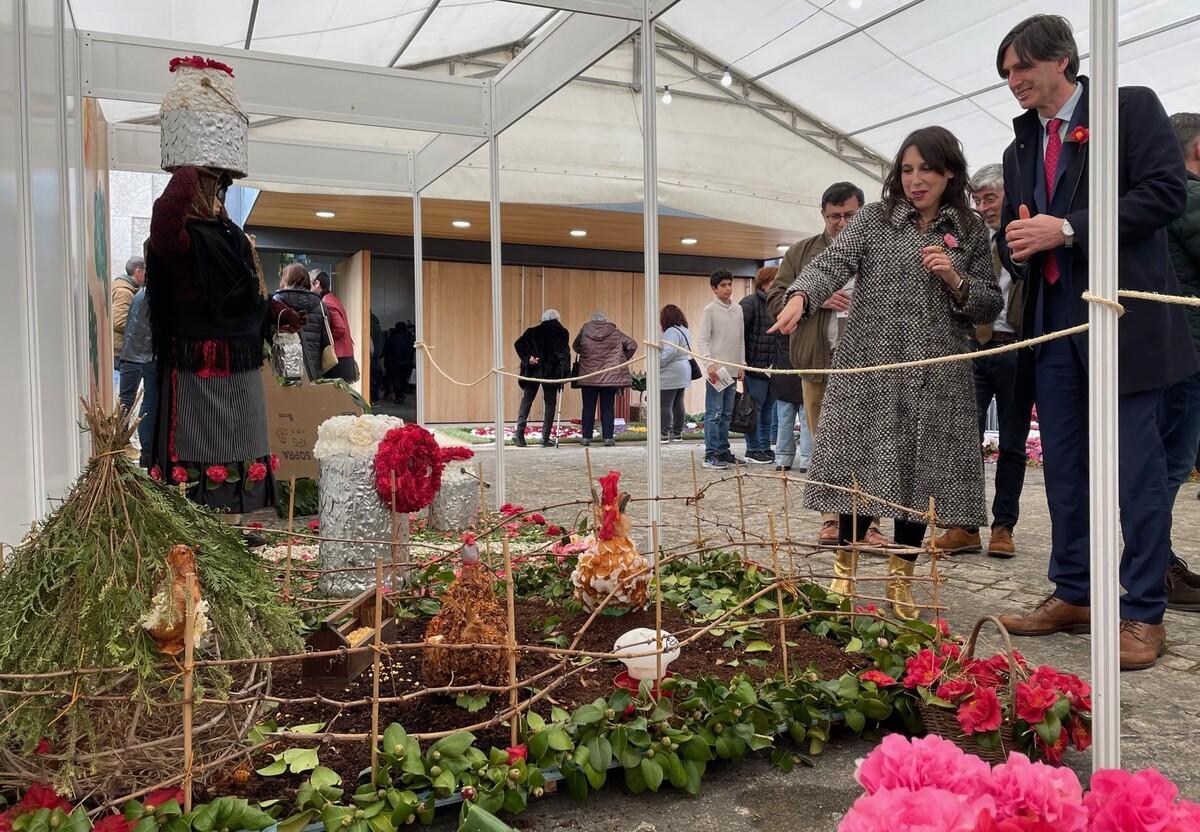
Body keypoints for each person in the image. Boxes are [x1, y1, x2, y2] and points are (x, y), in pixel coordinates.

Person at [993, 15, 1198, 670]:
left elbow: (1165, 194)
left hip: (1121, 319)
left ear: (1063, 61)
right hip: (1053, 324)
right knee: (1066, 470)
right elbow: (1011, 234)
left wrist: (1069, 229)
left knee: (1135, 471)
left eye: (1021, 68)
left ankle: (1141, 610)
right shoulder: (1020, 146)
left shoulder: (1128, 109)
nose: (1013, 82)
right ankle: (1075, 591)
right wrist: (1016, 240)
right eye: (1005, 74)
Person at [771, 125, 1002, 620]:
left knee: (920, 477)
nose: (916, 180)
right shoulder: (875, 220)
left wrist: (953, 276)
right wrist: (801, 296)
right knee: (860, 468)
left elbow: (988, 301)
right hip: (868, 365)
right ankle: (843, 575)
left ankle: (902, 579)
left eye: (927, 170)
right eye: (907, 169)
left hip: (934, 369)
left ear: (949, 173)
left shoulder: (969, 229)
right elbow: (832, 262)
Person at [146, 165, 303, 514]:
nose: (220, 201)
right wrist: (192, 163)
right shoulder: (181, 240)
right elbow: (165, 216)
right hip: (195, 363)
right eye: (214, 191)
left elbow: (250, 294)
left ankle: (242, 520)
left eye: (222, 193)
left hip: (241, 361)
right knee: (198, 439)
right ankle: (196, 520)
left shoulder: (232, 237)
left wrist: (280, 314)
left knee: (245, 437)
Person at [769, 181, 885, 547]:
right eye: (834, 216)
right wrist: (814, 298)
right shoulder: (803, 252)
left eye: (850, 214)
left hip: (869, 363)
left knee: (873, 442)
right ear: (823, 214)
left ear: (862, 212)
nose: (841, 222)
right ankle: (832, 520)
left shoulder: (878, 250)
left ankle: (870, 524)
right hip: (819, 362)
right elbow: (775, 299)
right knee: (824, 444)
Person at [933, 164, 1032, 559]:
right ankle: (964, 525)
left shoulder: (1025, 232)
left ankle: (1003, 526)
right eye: (977, 199)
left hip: (1017, 347)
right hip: (974, 347)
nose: (983, 206)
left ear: (1009, 195)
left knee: (1012, 443)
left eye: (989, 197)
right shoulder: (969, 239)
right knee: (963, 440)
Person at [1161, 112, 1200, 611]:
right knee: (1172, 463)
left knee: (1171, 462)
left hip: (1180, 346)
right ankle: (1155, 564)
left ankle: (1160, 559)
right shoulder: (1188, 195)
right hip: (1187, 349)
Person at [698, 269, 745, 469]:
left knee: (727, 413)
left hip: (733, 370)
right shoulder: (709, 310)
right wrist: (709, 364)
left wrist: (742, 364)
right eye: (723, 285)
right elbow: (702, 340)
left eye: (730, 284)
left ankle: (724, 452)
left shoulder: (738, 309)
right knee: (714, 413)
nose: (728, 289)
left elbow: (740, 338)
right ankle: (710, 454)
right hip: (717, 372)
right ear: (714, 289)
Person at [573, 311, 636, 447]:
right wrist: (622, 359)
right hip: (610, 376)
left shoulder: (584, 330)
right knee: (608, 407)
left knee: (588, 407)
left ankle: (586, 438)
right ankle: (608, 438)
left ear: (592, 320)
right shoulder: (615, 332)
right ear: (605, 320)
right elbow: (632, 345)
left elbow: (575, 346)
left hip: (588, 376)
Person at [513, 309, 571, 447]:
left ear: (543, 319)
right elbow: (564, 355)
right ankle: (545, 438)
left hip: (533, 371)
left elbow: (518, 344)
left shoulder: (532, 331)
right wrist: (564, 375)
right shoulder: (562, 332)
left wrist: (528, 359)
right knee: (550, 404)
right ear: (557, 319)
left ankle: (519, 434)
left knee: (527, 400)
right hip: (551, 373)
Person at [740, 266, 779, 465]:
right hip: (755, 367)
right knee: (753, 409)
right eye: (775, 280)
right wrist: (743, 363)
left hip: (773, 369)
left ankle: (764, 447)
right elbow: (740, 335)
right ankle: (752, 448)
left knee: (768, 410)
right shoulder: (750, 303)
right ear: (764, 283)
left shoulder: (779, 303)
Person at [119, 283, 156, 469]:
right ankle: (142, 452)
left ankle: (121, 446)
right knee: (146, 402)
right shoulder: (150, 294)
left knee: (128, 401)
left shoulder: (140, 293)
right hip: (144, 355)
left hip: (131, 352)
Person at [271, 263, 329, 383]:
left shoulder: (276, 303)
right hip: (313, 370)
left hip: (285, 369)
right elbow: (326, 341)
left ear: (286, 279)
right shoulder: (320, 305)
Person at [770, 332, 809, 473]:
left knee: (785, 421)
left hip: (784, 372)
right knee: (806, 422)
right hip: (806, 372)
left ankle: (783, 459)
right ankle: (807, 460)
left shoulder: (780, 319)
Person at [313, 270, 358, 382]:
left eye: (309, 284)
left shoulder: (327, 302)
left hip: (338, 358)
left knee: (335, 396)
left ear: (317, 283)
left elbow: (340, 329)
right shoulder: (332, 298)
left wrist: (324, 339)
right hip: (344, 355)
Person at [658, 304, 694, 442]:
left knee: (665, 403)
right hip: (684, 369)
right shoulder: (685, 330)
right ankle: (677, 433)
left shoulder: (670, 332)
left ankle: (663, 434)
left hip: (671, 371)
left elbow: (669, 352)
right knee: (678, 402)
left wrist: (656, 363)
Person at [113, 256, 146, 399]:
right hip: (119, 351)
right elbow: (118, 321)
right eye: (145, 272)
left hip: (121, 350)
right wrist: (140, 328)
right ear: (138, 272)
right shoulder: (124, 292)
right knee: (124, 398)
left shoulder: (126, 289)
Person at [384, 322, 417, 406]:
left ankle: (398, 396)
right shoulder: (410, 337)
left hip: (395, 363)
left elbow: (387, 350)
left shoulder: (393, 337)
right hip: (407, 363)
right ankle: (402, 395)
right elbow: (414, 349)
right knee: (404, 380)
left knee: (396, 380)